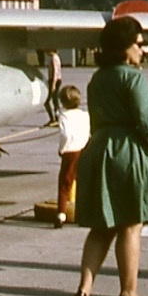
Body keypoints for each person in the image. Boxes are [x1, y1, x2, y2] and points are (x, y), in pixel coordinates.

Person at [70, 15, 148, 296]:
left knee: (101, 226)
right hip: (127, 153)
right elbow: (147, 123)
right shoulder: (133, 78)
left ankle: (84, 288)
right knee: (131, 224)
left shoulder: (97, 79)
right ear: (124, 48)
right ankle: (128, 292)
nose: (143, 51)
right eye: (139, 45)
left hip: (98, 149)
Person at [55, 84, 90, 227]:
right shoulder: (85, 115)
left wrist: (61, 149)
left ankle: (61, 215)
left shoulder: (62, 116)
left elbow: (64, 135)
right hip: (85, 150)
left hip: (70, 152)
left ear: (63, 102)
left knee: (65, 184)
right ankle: (85, 213)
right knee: (83, 182)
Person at [44, 49, 64, 125]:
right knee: (54, 100)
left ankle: (55, 118)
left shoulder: (54, 58)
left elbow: (55, 72)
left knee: (51, 100)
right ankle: (54, 118)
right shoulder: (54, 57)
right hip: (54, 80)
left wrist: (53, 84)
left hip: (54, 80)